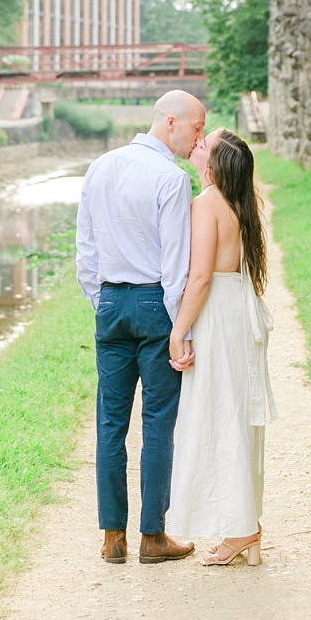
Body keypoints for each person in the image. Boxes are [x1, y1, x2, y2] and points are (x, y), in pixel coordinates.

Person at [76, 88, 205, 564]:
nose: (199, 139)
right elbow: (176, 267)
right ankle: (152, 537)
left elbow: (85, 252)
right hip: (155, 303)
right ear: (171, 123)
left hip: (109, 301)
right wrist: (180, 329)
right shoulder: (171, 180)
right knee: (157, 423)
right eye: (196, 128)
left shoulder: (99, 167)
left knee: (109, 424)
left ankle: (113, 538)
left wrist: (103, 301)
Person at [166, 127, 276, 567]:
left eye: (202, 145)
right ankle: (242, 526)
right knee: (232, 415)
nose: (195, 146)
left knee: (219, 415)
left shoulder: (206, 204)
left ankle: (243, 529)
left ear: (211, 167)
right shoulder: (237, 203)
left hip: (216, 314)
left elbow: (200, 278)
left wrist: (178, 331)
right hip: (235, 310)